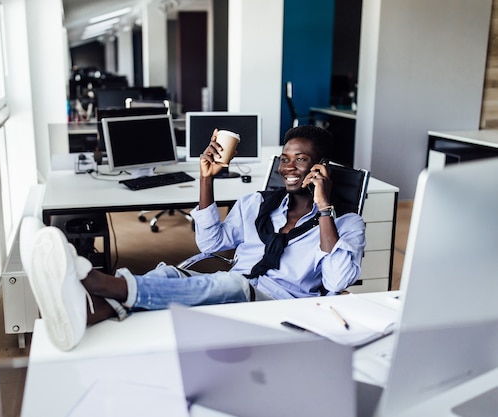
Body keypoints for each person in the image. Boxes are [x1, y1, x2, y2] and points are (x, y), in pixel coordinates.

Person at [20, 125, 366, 350]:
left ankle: (98, 282)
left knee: (230, 286)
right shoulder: (258, 205)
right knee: (169, 274)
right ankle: (85, 311)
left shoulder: (346, 225)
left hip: (279, 307)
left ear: (322, 166)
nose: (288, 167)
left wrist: (323, 208)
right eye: (285, 159)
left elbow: (336, 281)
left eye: (301, 160)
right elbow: (210, 245)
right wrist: (206, 181)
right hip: (233, 284)